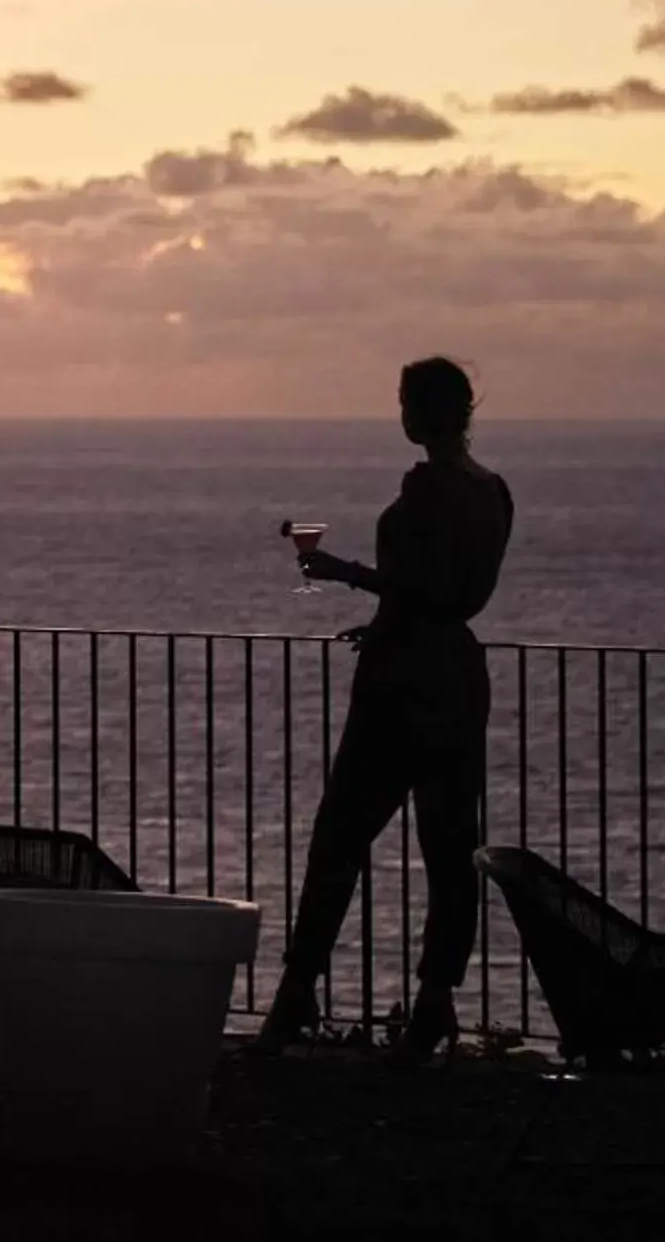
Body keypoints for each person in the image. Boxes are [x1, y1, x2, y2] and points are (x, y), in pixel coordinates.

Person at [255, 356, 514, 1064]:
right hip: (459, 677)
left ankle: (295, 995)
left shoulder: (425, 486)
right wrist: (392, 614)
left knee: (339, 838)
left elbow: (415, 586)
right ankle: (434, 1002)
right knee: (449, 848)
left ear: (423, 411)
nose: (398, 413)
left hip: (403, 683)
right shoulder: (495, 491)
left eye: (403, 400)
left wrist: (342, 573)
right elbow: (455, 599)